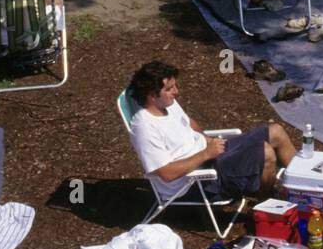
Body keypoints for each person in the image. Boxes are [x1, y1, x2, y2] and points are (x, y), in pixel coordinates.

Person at [127, 61, 297, 203]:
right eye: (170, 88)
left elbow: (188, 123)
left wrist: (207, 140)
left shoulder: (165, 104)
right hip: (197, 181)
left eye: (175, 86)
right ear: (152, 95)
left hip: (212, 155)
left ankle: (303, 187)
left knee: (276, 132)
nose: (176, 92)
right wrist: (205, 154)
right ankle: (266, 206)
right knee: (265, 152)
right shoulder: (144, 127)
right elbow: (166, 173)